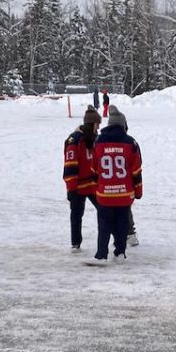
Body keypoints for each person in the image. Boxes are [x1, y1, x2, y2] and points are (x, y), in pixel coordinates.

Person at [91, 106, 141, 263]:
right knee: (122, 223)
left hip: (104, 193)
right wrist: (138, 191)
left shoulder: (98, 142)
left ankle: (101, 254)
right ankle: (120, 252)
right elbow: (136, 171)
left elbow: (94, 169)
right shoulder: (131, 143)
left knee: (104, 225)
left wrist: (97, 187)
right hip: (124, 194)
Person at [64, 105, 102, 252]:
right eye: (97, 125)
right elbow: (70, 165)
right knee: (76, 215)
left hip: (92, 184)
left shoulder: (94, 139)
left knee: (105, 210)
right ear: (92, 124)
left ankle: (115, 236)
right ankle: (75, 243)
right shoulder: (74, 140)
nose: (98, 128)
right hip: (78, 185)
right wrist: (71, 188)